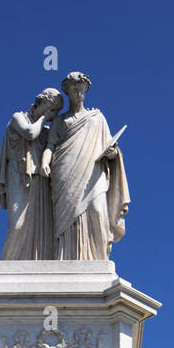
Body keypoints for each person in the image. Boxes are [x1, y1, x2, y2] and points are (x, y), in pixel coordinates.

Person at [40, 71, 129, 260]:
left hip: (93, 172)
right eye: (74, 89)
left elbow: (110, 147)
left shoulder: (97, 118)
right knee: (65, 217)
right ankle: (64, 258)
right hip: (64, 170)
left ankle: (99, 259)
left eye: (81, 89)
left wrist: (112, 153)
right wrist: (44, 162)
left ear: (86, 90)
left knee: (97, 210)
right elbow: (50, 146)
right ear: (67, 92)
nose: (78, 93)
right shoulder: (59, 121)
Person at [0, 89, 63, 260]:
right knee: (17, 224)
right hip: (19, 173)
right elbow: (30, 133)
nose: (52, 114)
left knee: (40, 227)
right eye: (52, 108)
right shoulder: (18, 117)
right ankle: (7, 265)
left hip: (40, 180)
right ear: (42, 102)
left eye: (55, 111)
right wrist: (44, 118)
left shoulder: (46, 131)